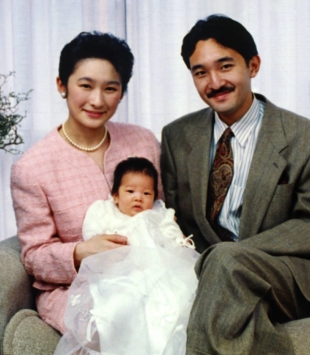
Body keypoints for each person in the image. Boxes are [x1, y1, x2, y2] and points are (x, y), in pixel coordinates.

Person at [160, 14, 310, 355]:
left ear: (253, 66)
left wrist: (236, 255)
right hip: (208, 272)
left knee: (226, 262)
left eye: (225, 66)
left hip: (286, 273)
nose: (214, 82)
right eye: (200, 72)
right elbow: (176, 222)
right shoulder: (176, 137)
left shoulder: (303, 136)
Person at [10, 31, 163, 335]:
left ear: (122, 93)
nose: (97, 100)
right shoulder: (31, 168)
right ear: (61, 85)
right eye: (85, 85)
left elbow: (161, 210)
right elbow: (34, 255)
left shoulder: (143, 141)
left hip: (149, 276)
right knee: (120, 327)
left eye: (110, 88)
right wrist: (80, 252)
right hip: (76, 289)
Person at [54, 157, 199, 355]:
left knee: (171, 303)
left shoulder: (158, 214)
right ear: (115, 196)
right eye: (130, 191)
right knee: (118, 305)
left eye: (146, 193)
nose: (138, 197)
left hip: (158, 270)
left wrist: (176, 237)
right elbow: (93, 233)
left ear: (155, 197)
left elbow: (175, 239)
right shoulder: (105, 212)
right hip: (119, 272)